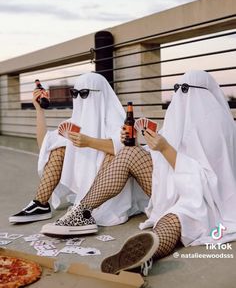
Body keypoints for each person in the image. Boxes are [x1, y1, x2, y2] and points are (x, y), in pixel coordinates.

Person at [41, 70, 236, 275]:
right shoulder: (180, 118)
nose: (179, 95)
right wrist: (141, 142)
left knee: (175, 219)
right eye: (177, 89)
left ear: (203, 92)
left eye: (184, 90)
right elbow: (158, 160)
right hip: (169, 189)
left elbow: (207, 183)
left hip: (204, 201)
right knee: (129, 153)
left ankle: (144, 256)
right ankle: (82, 212)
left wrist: (165, 148)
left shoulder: (219, 127)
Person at [9, 72, 148, 227]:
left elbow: (126, 151)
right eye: (74, 93)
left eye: (84, 94)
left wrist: (88, 142)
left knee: (112, 153)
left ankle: (87, 208)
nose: (79, 99)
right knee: (59, 148)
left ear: (99, 94)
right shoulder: (76, 121)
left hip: (111, 187)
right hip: (86, 179)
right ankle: (40, 203)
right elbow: (45, 146)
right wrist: (39, 111)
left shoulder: (117, 120)